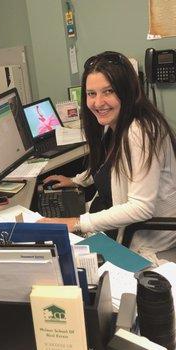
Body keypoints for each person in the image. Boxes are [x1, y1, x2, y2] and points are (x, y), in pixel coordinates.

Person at [40, 51, 176, 260]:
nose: (98, 102)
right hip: (117, 219)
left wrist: (75, 222)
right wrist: (77, 180)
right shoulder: (114, 122)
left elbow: (141, 208)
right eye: (91, 94)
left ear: (126, 91)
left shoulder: (140, 131)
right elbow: (108, 165)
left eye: (108, 91)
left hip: (147, 241)